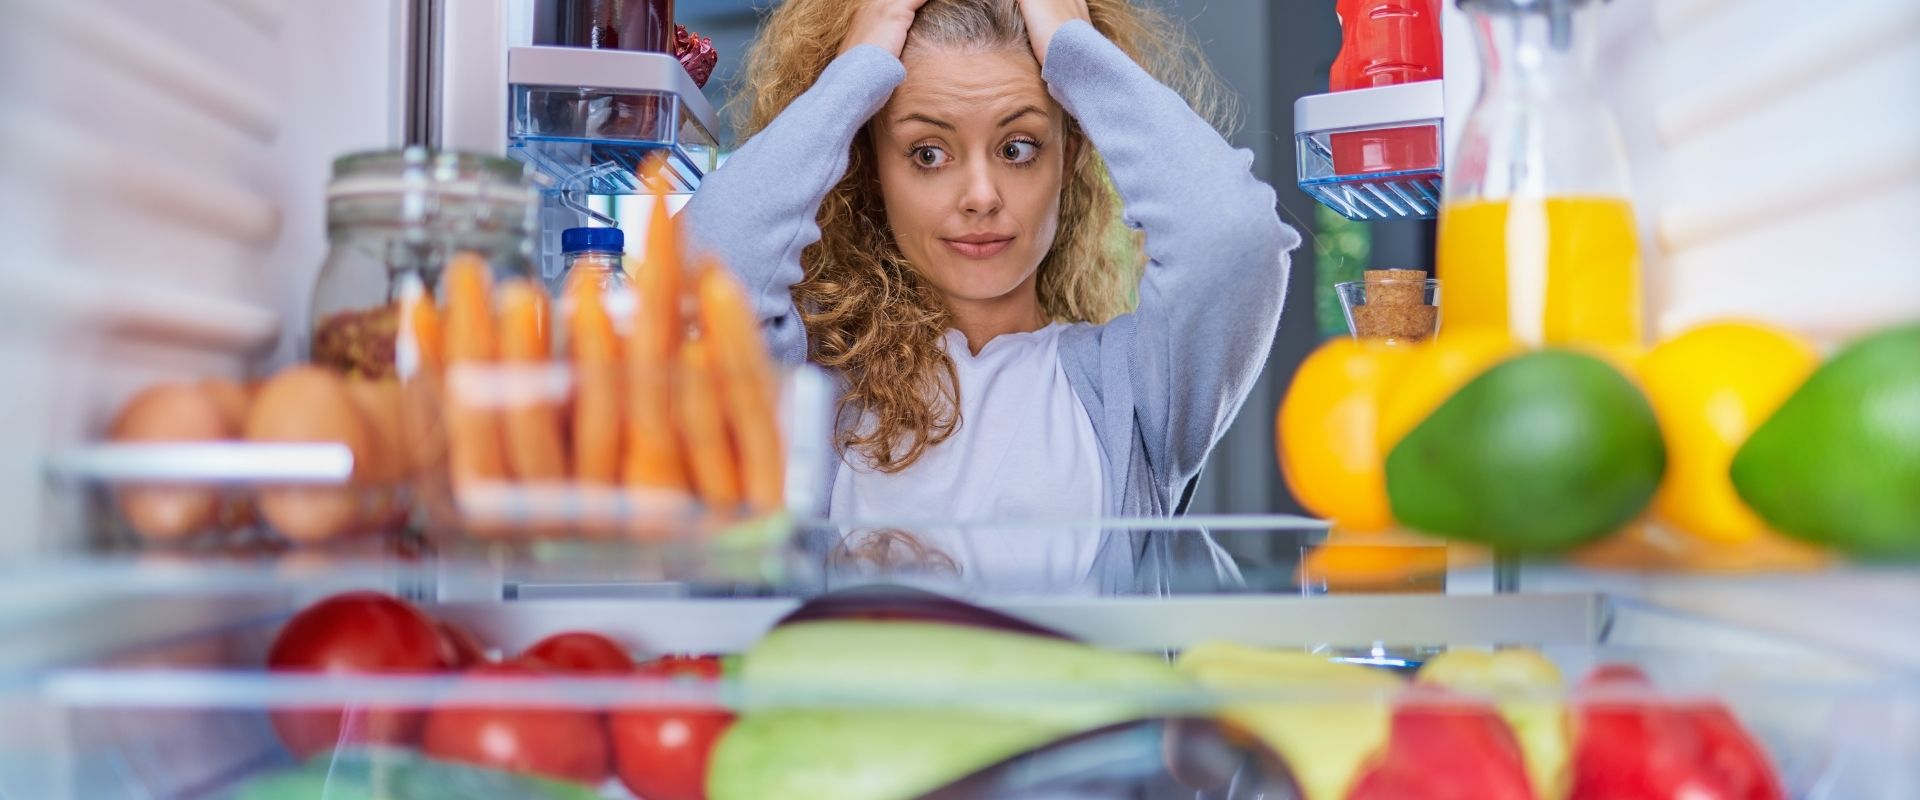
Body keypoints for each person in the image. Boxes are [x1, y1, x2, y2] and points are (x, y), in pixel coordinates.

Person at [682, 0, 1298, 592]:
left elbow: (1232, 239)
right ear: (868, 167)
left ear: (1071, 154)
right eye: (927, 153)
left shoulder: (1129, 393)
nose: (980, 194)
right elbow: (707, 264)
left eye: (1017, 148)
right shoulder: (811, 389)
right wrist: (855, 75)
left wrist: (1076, 54)